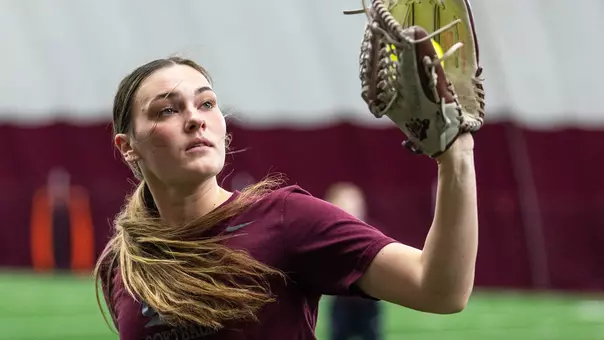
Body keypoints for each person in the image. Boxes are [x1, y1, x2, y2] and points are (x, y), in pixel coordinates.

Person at [94, 57, 478, 340]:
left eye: (207, 103)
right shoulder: (125, 260)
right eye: (167, 110)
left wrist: (455, 155)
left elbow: (439, 288)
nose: (196, 119)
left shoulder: (285, 219)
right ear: (128, 148)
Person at [324, 182, 383, 340]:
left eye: (355, 204)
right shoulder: (328, 237)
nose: (352, 210)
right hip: (342, 302)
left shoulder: (372, 233)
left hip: (368, 302)